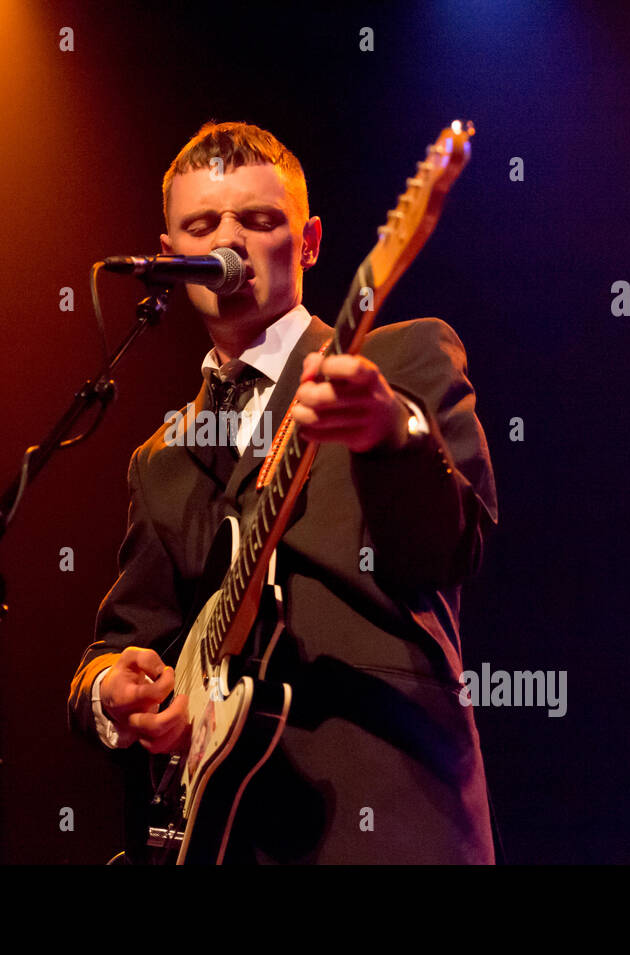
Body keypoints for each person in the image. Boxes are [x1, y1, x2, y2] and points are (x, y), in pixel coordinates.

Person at [68, 120, 500, 863]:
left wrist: (389, 431)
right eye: (203, 225)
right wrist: (110, 689)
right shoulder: (163, 456)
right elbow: (120, 641)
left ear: (309, 242)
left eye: (259, 220)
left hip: (386, 817)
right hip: (219, 839)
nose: (229, 240)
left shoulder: (395, 358)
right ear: (172, 257)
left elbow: (452, 547)